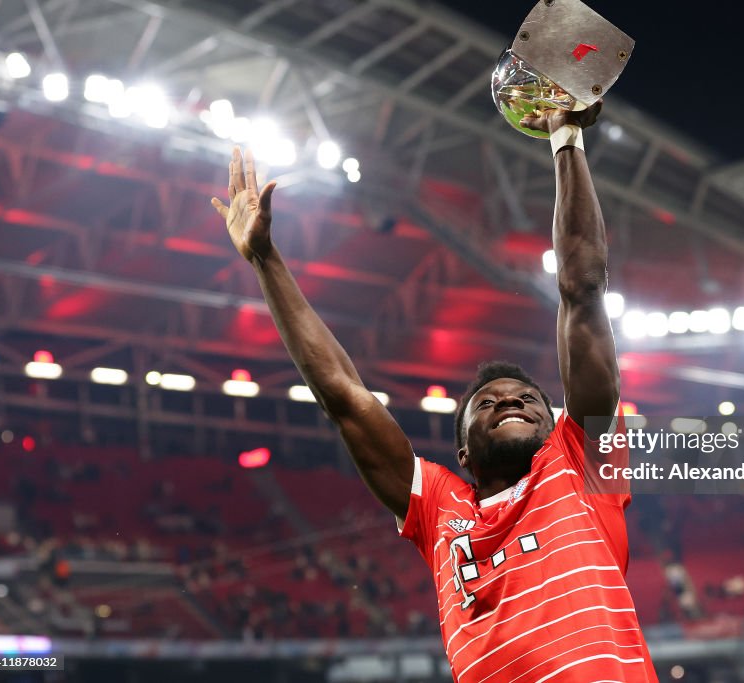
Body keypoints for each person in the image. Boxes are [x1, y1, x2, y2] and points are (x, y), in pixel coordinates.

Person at [211, 101, 658, 682]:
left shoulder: (582, 465)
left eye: (527, 399)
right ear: (463, 454)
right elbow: (344, 396)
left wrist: (565, 138)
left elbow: (582, 289)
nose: (513, 401)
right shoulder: (441, 509)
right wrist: (266, 260)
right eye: (488, 402)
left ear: (558, 429)